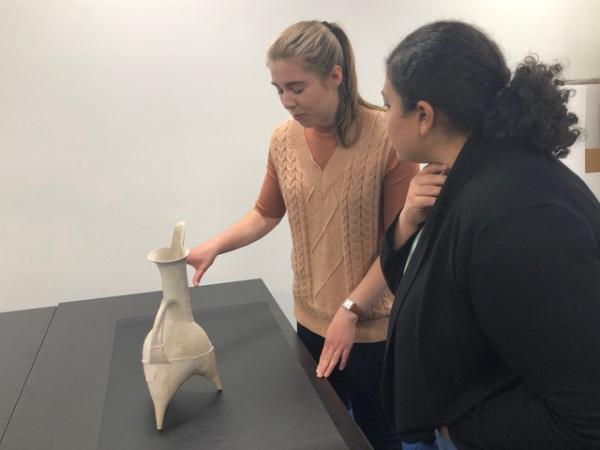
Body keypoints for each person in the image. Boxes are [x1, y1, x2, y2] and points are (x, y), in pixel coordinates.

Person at [186, 20, 418, 449]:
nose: (287, 102)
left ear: (335, 76)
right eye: (278, 89)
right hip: (311, 319)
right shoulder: (283, 141)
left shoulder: (388, 137)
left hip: (372, 328)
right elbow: (264, 212)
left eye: (296, 87)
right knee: (320, 429)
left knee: (378, 435)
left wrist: (351, 310)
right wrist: (215, 245)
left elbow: (398, 244)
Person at [373, 20, 600, 449]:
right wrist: (407, 221)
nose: (384, 122)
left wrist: (454, 427)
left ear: (423, 115)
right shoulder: (460, 175)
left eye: (387, 106)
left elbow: (586, 418)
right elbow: (420, 278)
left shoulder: (521, 219)